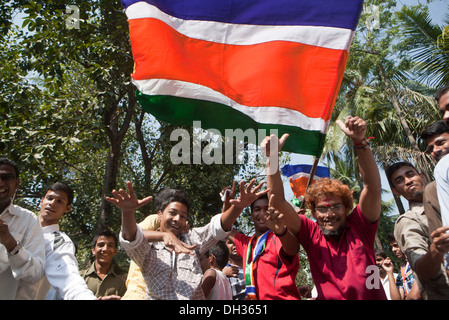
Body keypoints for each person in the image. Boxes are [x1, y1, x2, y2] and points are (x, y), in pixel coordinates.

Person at [264, 116, 387, 300]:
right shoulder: (310, 234)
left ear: (347, 208)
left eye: (336, 206)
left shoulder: (361, 226)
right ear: (313, 212)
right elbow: (278, 202)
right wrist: (272, 159)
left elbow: (373, 187)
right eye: (322, 209)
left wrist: (359, 142)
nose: (329, 214)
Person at [108, 179, 267, 300]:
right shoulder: (148, 249)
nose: (177, 219)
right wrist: (127, 212)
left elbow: (218, 227)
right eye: (172, 213)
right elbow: (131, 237)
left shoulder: (193, 238)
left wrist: (238, 207)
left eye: (183, 216)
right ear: (159, 215)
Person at [387, 160, 449, 299]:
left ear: (422, 177)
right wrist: (436, 250)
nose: (408, 181)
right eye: (400, 180)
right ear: (396, 191)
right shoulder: (408, 221)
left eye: (410, 174)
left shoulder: (445, 201)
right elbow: (421, 268)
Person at [226, 191, 301, 300]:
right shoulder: (247, 244)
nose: (262, 213)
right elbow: (225, 228)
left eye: (267, 208)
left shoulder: (280, 237)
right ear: (252, 217)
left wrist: (282, 232)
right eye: (257, 209)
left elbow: (293, 249)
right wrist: (230, 203)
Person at [0, 158, 45, 300]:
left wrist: (10, 243)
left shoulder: (28, 220)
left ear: (17, 183)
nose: (0, 183)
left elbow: (35, 273)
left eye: (6, 177)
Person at [80, 228, 127, 298]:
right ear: (93, 250)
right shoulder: (79, 277)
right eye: (101, 245)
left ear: (115, 251)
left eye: (110, 245)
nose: (105, 249)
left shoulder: (121, 283)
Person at [384, 233, 420, 300]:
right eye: (392, 246)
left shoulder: (417, 261)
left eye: (396, 246)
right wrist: (389, 272)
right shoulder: (403, 269)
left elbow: (415, 296)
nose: (393, 250)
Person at [223, 234, 246, 300]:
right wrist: (221, 274)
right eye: (230, 243)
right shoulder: (224, 271)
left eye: (237, 241)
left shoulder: (255, 264)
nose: (234, 245)